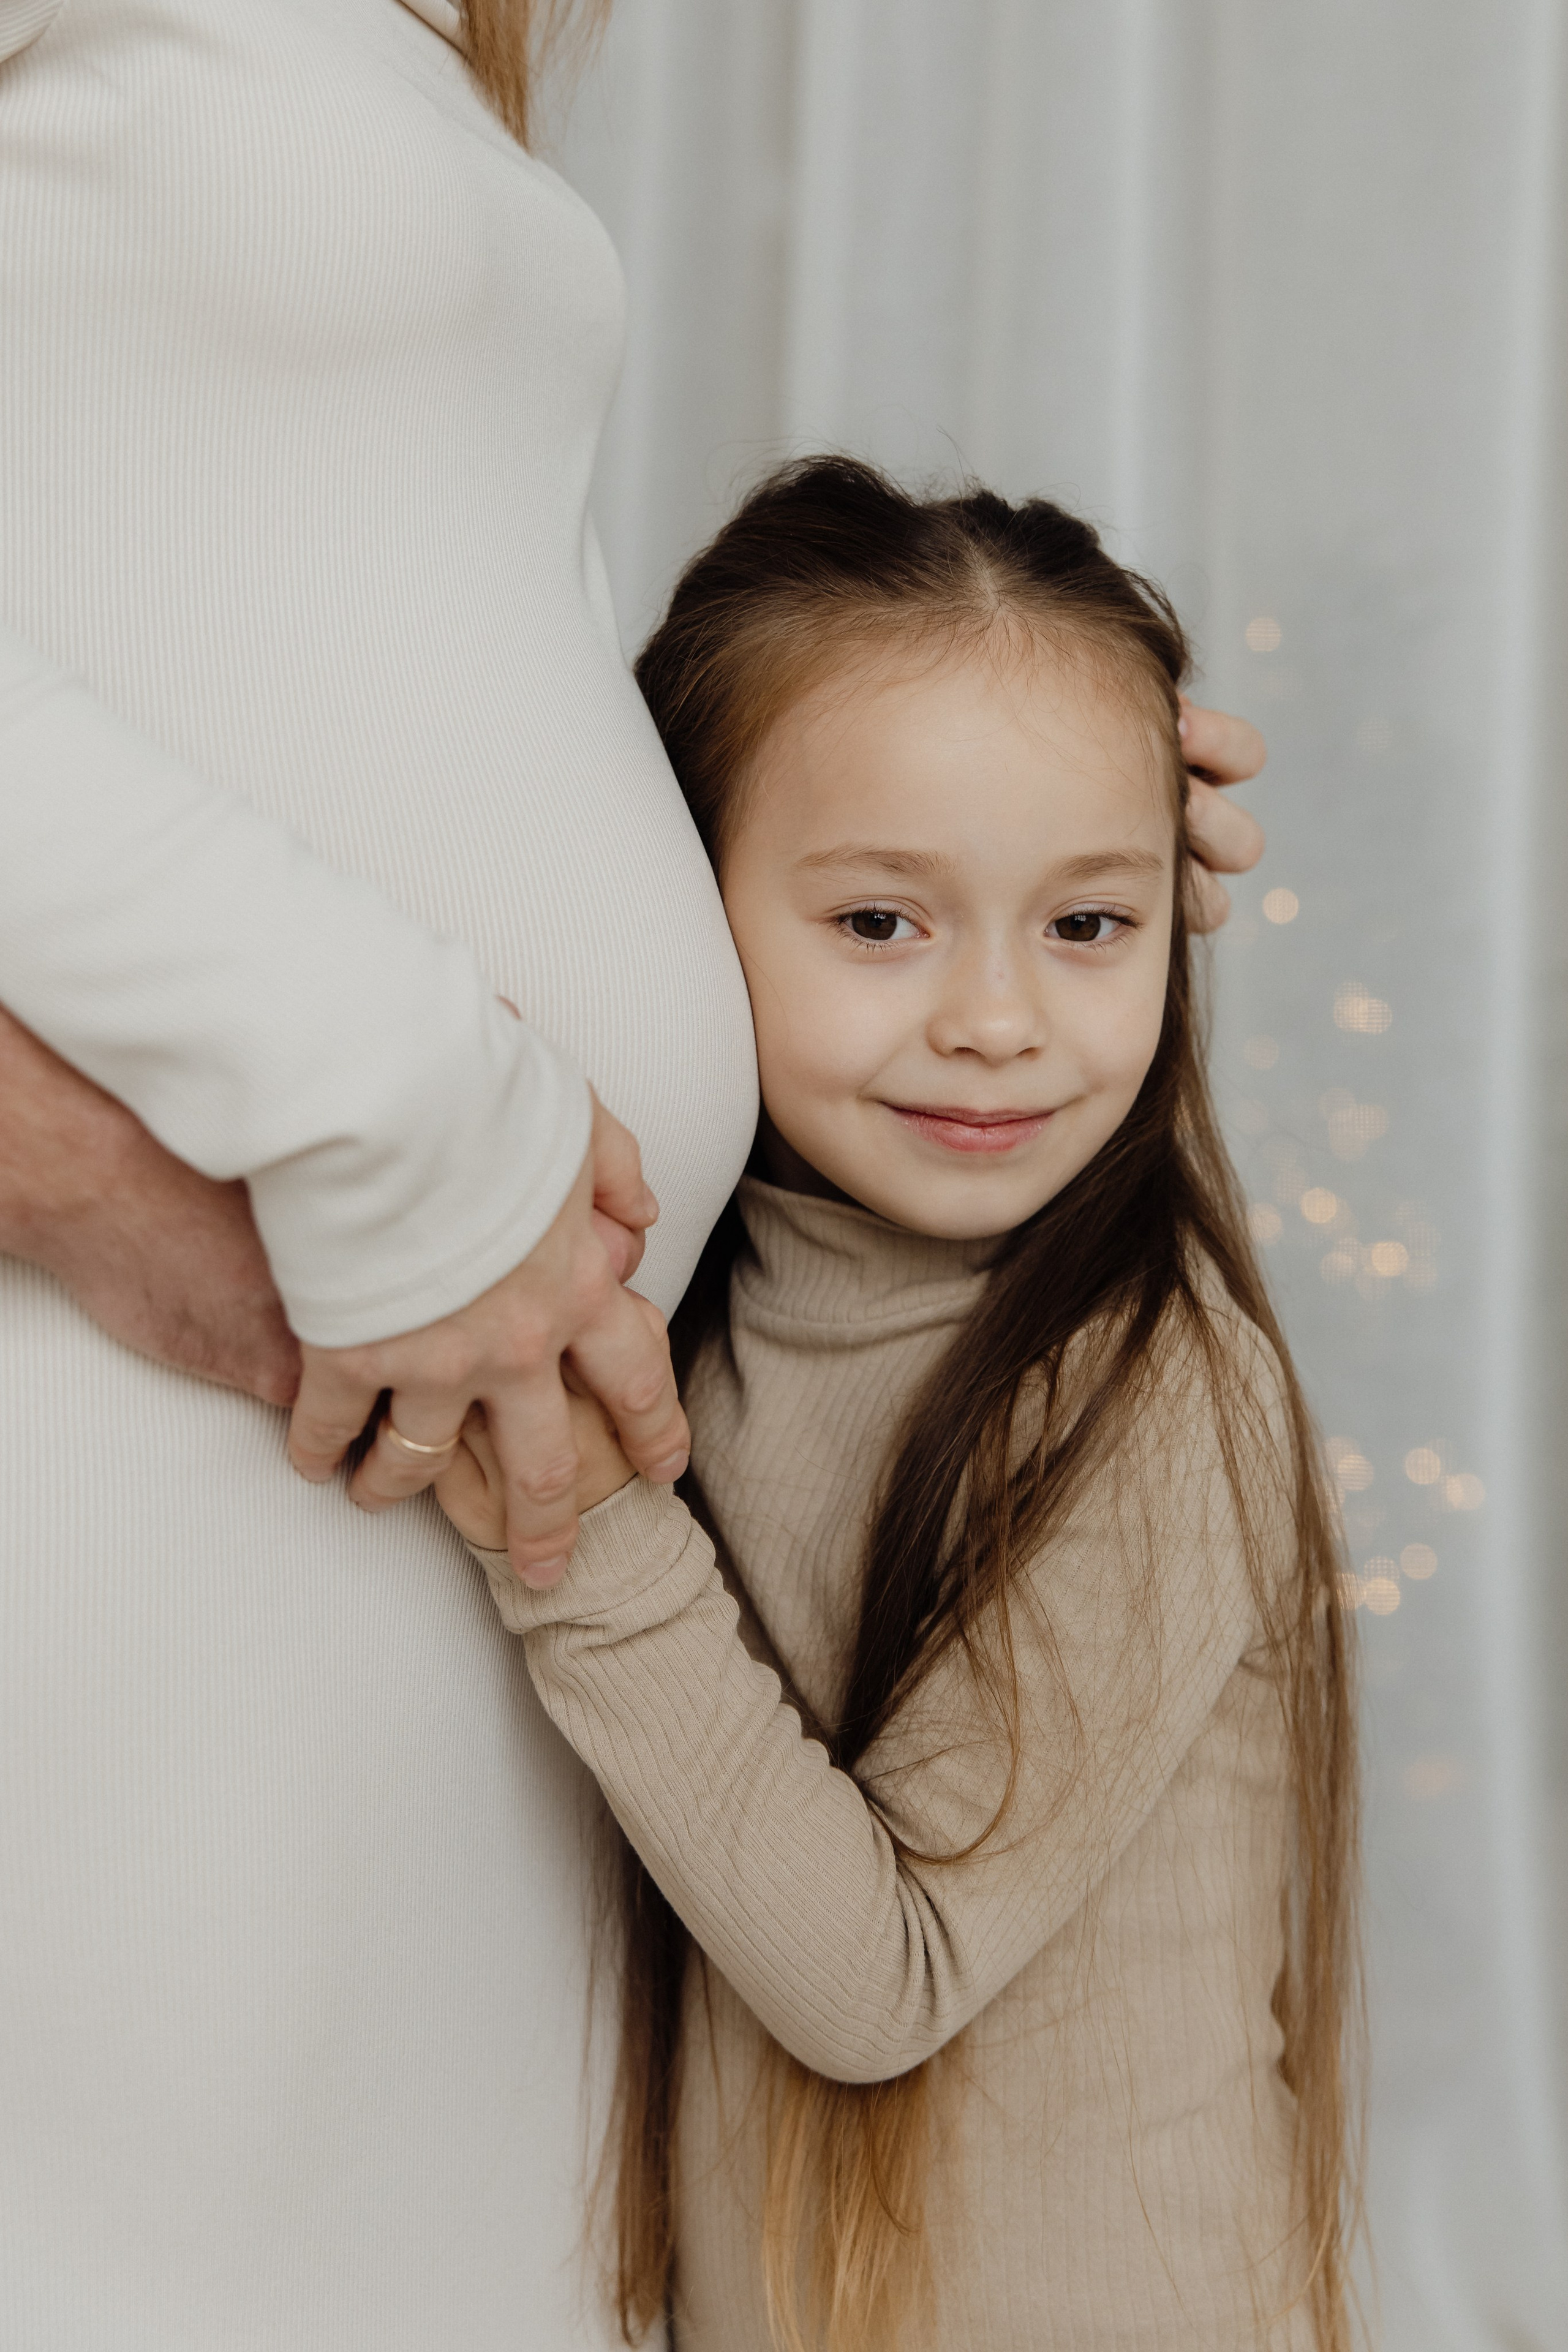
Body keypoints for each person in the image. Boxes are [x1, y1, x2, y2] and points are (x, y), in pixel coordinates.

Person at [0, 6, 1266, 2345]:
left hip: (485, 1515)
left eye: (1083, 933)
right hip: (191, 1442)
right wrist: (296, 1105)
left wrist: (979, 769)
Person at [440, 460, 1359, 2351]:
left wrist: (575, 1517)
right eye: (884, 925)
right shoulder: (710, 1276)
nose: (998, 1020)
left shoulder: (1153, 1389)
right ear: (674, 910)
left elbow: (879, 1980)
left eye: (1088, 927)